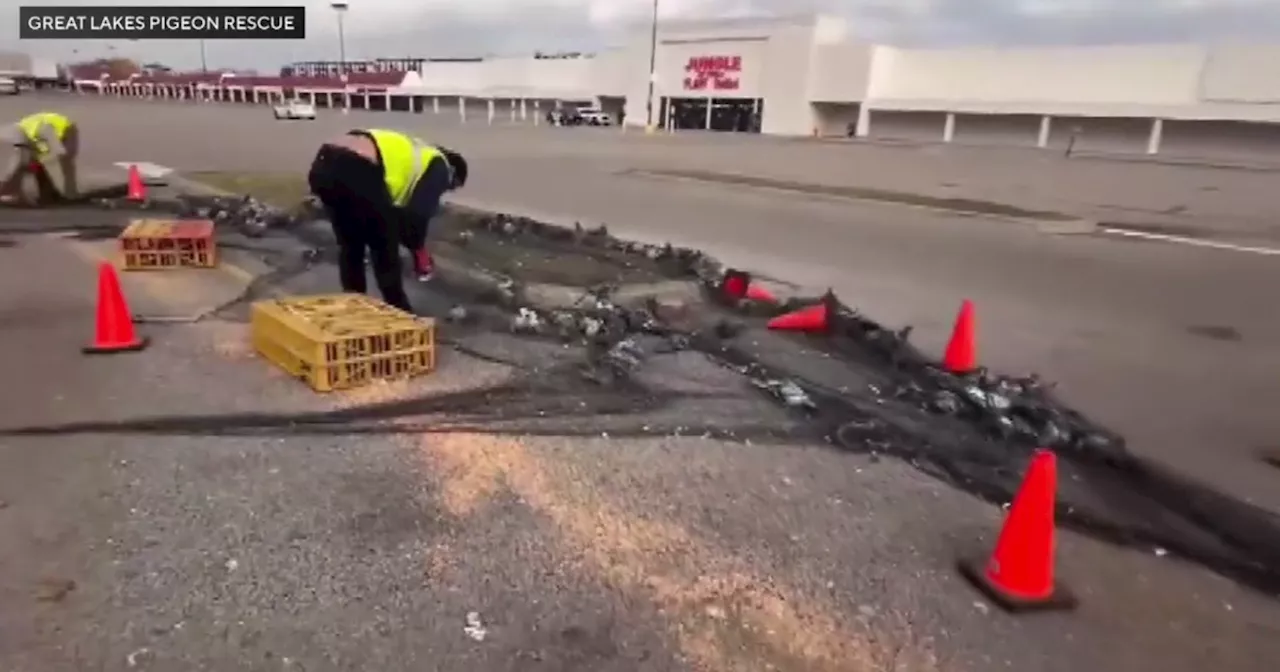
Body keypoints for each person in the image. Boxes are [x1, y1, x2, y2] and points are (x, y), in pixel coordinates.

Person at [306, 128, 468, 313]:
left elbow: (400, 212)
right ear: (453, 172)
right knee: (384, 250)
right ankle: (400, 314)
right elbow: (417, 214)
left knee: (352, 246)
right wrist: (418, 250)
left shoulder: (415, 150)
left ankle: (354, 308)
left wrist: (408, 235)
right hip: (355, 165)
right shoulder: (439, 164)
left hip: (324, 164)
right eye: (451, 186)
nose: (444, 190)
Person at [0, 111, 80, 205]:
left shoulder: (40, 131)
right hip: (48, 129)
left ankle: (65, 193)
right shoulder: (36, 133)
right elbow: (49, 154)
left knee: (30, 163)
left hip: (51, 128)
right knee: (27, 163)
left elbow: (49, 153)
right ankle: (65, 193)